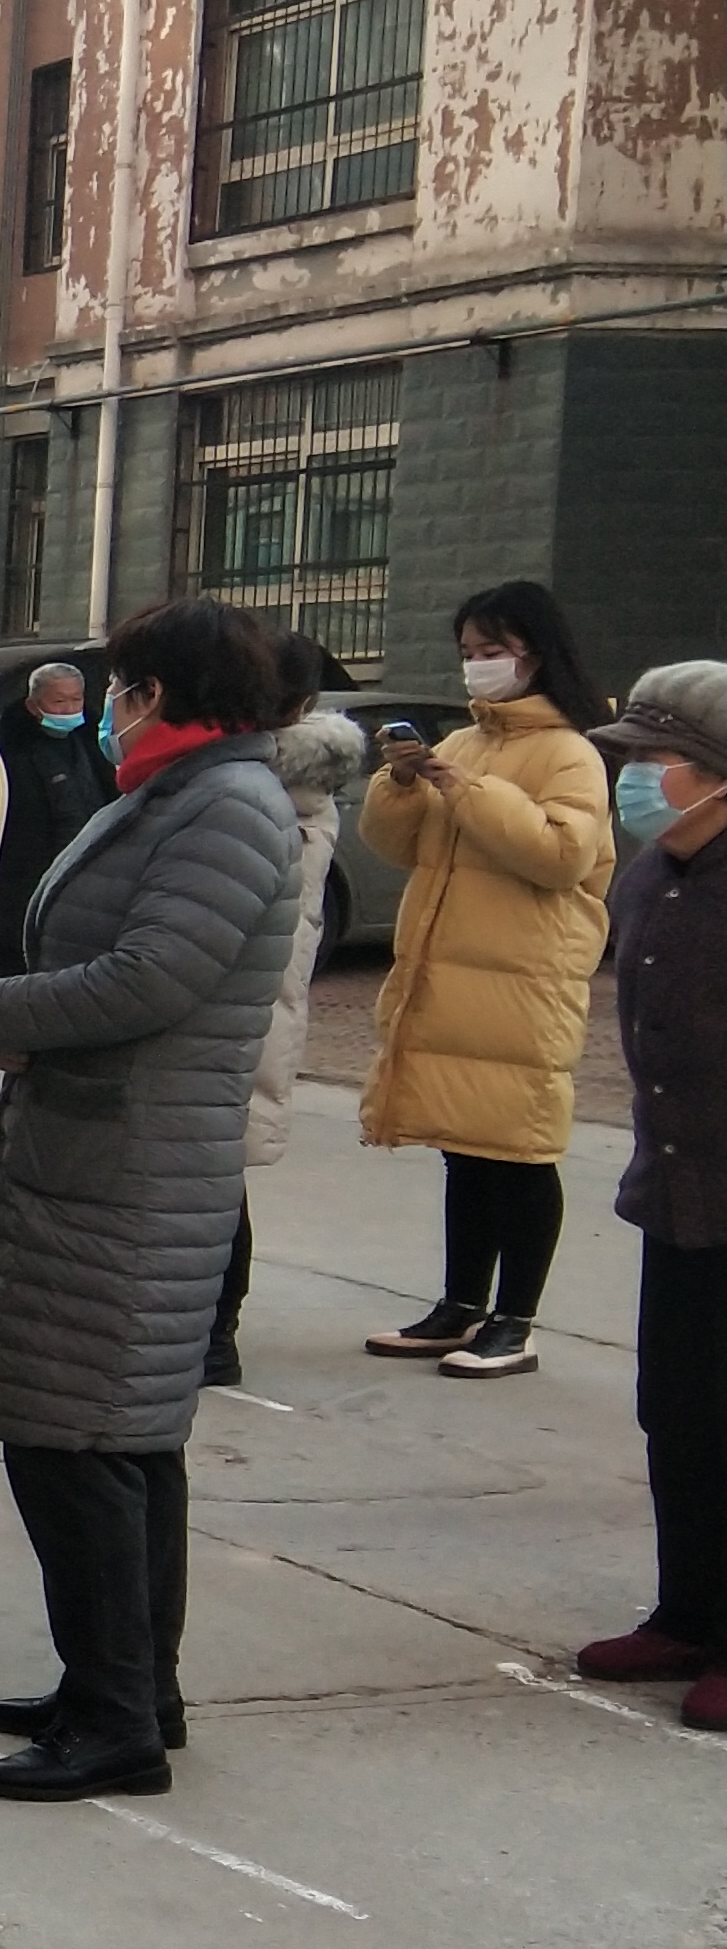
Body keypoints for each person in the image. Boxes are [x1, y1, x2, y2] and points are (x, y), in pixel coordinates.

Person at [0, 601, 301, 1802]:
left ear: (159, 691)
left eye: (119, 686)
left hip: (128, 1170)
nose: (104, 708)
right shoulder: (169, 794)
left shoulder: (226, 806)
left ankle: (113, 1719)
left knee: (81, 1445)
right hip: (91, 1156)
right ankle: (126, 1685)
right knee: (108, 1443)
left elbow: (152, 975)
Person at [357, 578, 618, 1380]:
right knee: (465, 1149)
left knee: (520, 1151)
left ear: (534, 653)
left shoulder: (569, 750)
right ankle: (461, 1303)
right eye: (468, 652)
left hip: (525, 980)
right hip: (451, 976)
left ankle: (515, 1319)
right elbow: (398, 846)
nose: (477, 665)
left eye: (492, 650)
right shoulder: (465, 742)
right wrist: (404, 783)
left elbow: (560, 854)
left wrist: (465, 789)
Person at [573, 661, 727, 1731]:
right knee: (676, 1410)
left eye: (654, 759)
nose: (633, 778)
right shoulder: (647, 876)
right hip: (677, 1187)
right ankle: (687, 1611)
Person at [204, 638, 364, 1389]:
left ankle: (214, 1333)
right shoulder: (251, 782)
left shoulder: (279, 792)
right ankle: (206, 1330)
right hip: (236, 1004)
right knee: (203, 1173)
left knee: (211, 1173)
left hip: (239, 1007)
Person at [0, 658, 112, 978]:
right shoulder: (7, 751)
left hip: (88, 880)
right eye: (59, 701)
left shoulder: (93, 743)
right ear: (33, 705)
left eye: (76, 700)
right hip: (26, 885)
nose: (69, 709)